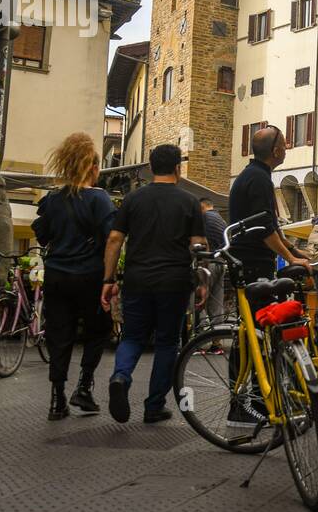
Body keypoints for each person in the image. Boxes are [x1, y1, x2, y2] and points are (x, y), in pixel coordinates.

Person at [100, 144, 208, 424]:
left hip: (137, 279)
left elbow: (114, 239)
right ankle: (154, 405)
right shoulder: (190, 202)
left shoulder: (133, 199)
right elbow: (198, 244)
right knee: (167, 343)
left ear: (150, 168)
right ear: (177, 169)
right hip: (174, 281)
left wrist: (108, 279)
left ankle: (120, 377)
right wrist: (202, 279)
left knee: (133, 336)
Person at [32, 132, 116, 421]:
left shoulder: (53, 199)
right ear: (93, 168)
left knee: (59, 334)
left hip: (56, 274)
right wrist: (110, 279)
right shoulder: (100, 200)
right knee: (98, 329)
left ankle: (57, 398)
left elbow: (42, 234)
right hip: (90, 276)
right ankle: (84, 385)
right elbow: (111, 240)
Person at [228, 126, 310, 283]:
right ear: (276, 151)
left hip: (249, 259)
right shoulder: (259, 179)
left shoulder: (253, 174)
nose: (287, 148)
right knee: (263, 307)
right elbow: (264, 228)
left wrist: (294, 250)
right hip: (253, 260)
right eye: (284, 144)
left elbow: (271, 225)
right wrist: (291, 259)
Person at [199, 199, 227, 322]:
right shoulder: (222, 220)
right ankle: (217, 337)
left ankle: (199, 336)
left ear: (202, 207)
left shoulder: (204, 218)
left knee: (200, 299)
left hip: (208, 263)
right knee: (217, 304)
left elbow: (203, 242)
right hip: (221, 262)